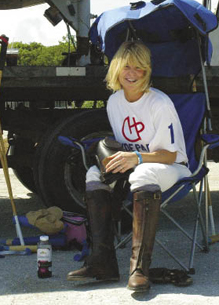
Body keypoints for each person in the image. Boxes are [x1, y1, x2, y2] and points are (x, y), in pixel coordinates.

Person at [67, 41, 191, 292]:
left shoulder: (159, 103)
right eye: (126, 67)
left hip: (171, 166)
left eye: (139, 68)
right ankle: (102, 261)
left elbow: (171, 155)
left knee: (143, 173)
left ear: (147, 72)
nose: (132, 74)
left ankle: (139, 269)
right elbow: (124, 146)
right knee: (94, 173)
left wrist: (137, 158)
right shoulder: (114, 102)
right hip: (137, 165)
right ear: (116, 69)